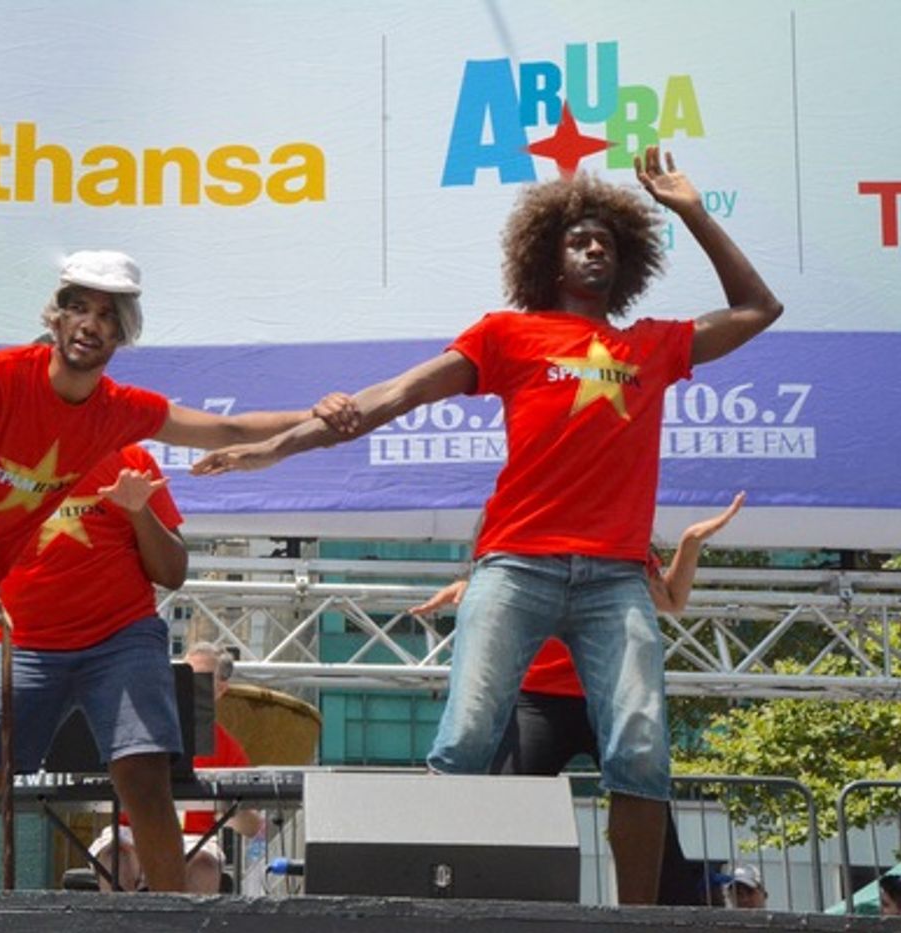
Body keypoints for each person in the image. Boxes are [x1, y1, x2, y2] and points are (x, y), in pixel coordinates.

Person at [193, 147, 783, 904]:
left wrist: (691, 211)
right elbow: (396, 394)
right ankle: (438, 911)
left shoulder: (652, 346)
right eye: (578, 237)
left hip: (615, 579)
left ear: (629, 256)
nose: (594, 244)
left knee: (641, 753)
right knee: (463, 743)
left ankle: (641, 922)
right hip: (515, 567)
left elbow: (758, 310)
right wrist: (276, 445)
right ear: (547, 254)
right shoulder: (508, 335)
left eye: (607, 237)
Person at [0, 250, 357, 888]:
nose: (90, 323)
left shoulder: (117, 417)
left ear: (123, 332)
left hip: (0, 586)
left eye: (107, 314)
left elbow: (226, 427)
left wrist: (314, 418)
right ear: (56, 316)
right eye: (78, 307)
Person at [411, 493, 745, 905]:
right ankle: (471, 906)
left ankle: (656, 913)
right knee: (502, 815)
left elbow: (672, 600)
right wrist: (477, 589)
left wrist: (690, 543)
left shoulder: (620, 550)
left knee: (645, 787)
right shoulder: (514, 547)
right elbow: (503, 585)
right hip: (538, 702)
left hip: (605, 700)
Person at [89, 642, 263, 893]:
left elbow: (253, 827)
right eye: (181, 675)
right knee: (117, 856)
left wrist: (230, 810)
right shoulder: (139, 728)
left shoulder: (227, 747)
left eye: (199, 679)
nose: (186, 685)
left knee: (204, 864)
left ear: (220, 689)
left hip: (195, 840)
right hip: (132, 831)